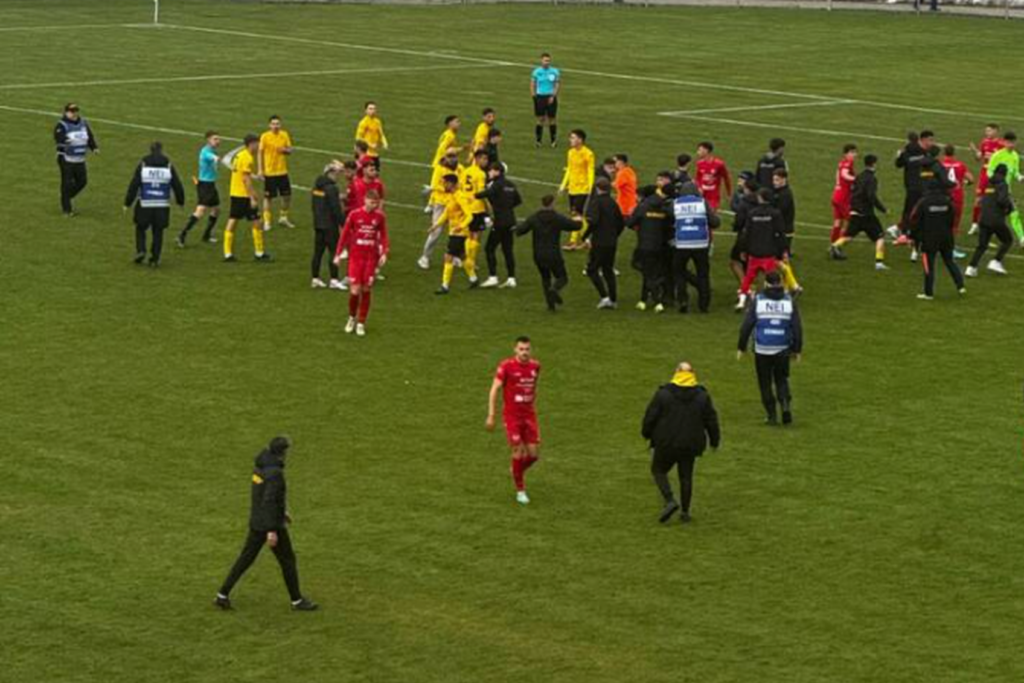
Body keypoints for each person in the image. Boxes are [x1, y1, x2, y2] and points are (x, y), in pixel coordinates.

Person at [214, 436, 318, 612]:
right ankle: (297, 600)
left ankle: (222, 595)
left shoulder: (260, 467)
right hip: (270, 524)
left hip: (257, 520)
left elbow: (263, 496)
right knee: (288, 560)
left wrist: (282, 512)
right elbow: (270, 500)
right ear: (282, 452)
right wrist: (271, 530)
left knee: (245, 558)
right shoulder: (275, 473)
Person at [641, 361, 721, 524]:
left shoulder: (663, 394)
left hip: (666, 442)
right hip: (690, 443)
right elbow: (711, 420)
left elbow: (651, 416)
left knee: (658, 470)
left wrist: (646, 433)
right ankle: (685, 512)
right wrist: (714, 440)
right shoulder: (702, 396)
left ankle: (670, 500)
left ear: (677, 373)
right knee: (686, 476)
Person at [737, 270, 803, 426]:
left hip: (762, 348)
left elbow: (747, 325)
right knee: (781, 379)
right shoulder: (789, 301)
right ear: (781, 282)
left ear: (766, 283)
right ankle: (785, 405)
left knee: (765, 382)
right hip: (782, 347)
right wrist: (797, 349)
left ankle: (771, 415)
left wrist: (741, 347)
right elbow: (797, 327)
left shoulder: (759, 301)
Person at [486, 336, 542, 505]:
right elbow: (494, 389)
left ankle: (516, 469)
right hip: (512, 416)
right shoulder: (506, 366)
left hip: (529, 415)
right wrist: (491, 415)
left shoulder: (535, 366)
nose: (524, 352)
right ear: (515, 350)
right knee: (518, 452)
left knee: (534, 455)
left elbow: (534, 387)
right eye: (521, 349)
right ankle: (520, 491)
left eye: (527, 349)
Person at [334, 190, 389, 336]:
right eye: (372, 202)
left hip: (371, 258)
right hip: (356, 257)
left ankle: (361, 322)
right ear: (365, 200)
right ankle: (352, 317)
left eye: (376, 203)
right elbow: (345, 234)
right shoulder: (354, 215)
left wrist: (384, 253)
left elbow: (384, 236)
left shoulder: (380, 217)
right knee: (354, 290)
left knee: (366, 289)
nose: (374, 206)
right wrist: (338, 254)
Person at [122, 141, 185, 267]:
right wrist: (180, 201)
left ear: (150, 150)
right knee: (158, 232)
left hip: (145, 203)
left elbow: (134, 184)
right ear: (161, 150)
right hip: (162, 205)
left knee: (140, 228)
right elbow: (177, 184)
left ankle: (141, 250)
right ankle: (155, 259)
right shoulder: (168, 165)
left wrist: (127, 202)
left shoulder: (144, 164)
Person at [515, 195, 579, 311]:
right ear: (552, 203)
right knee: (562, 277)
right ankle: (554, 289)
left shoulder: (534, 217)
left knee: (545, 278)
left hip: (538, 254)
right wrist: (578, 220)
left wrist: (515, 227)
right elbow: (574, 227)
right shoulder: (557, 218)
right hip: (553, 253)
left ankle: (550, 306)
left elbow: (520, 231)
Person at [831, 154, 889, 270]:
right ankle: (879, 263)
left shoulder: (859, 176)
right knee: (880, 237)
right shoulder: (872, 179)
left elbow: (853, 191)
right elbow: (871, 196)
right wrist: (883, 209)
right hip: (866, 215)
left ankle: (834, 245)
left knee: (848, 236)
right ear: (874, 164)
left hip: (855, 212)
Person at [909, 182, 966, 300]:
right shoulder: (947, 202)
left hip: (929, 239)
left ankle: (928, 293)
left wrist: (913, 237)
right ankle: (960, 286)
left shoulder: (924, 202)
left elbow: (915, 220)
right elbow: (952, 219)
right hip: (946, 237)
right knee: (950, 261)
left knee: (929, 266)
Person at [627, 174, 674, 313]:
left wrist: (630, 218)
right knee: (650, 271)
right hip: (659, 245)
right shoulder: (663, 207)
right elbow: (669, 224)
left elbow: (630, 223)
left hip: (644, 245)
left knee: (646, 272)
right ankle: (643, 299)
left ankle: (657, 301)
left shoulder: (642, 207)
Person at [671, 179, 719, 313]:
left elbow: (670, 219)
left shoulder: (676, 203)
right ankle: (704, 304)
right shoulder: (702, 203)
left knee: (679, 271)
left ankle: (683, 299)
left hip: (682, 243)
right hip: (701, 243)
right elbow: (715, 222)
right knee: (703, 274)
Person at [736, 188, 787, 310]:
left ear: (760, 198)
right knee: (771, 277)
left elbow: (746, 234)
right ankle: (770, 300)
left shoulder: (752, 213)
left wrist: (743, 249)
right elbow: (780, 233)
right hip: (769, 252)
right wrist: (783, 251)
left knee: (748, 278)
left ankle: (741, 302)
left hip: (754, 252)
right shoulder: (775, 214)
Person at [223, 135, 270, 263]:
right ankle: (259, 253)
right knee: (256, 222)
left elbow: (242, 172)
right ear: (252, 144)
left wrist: (255, 176)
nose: (259, 146)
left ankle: (227, 253)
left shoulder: (240, 155)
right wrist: (252, 197)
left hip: (235, 193)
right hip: (243, 195)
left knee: (233, 220)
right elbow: (245, 180)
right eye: (257, 144)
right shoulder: (248, 158)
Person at [477, 163, 522, 289]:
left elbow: (486, 193)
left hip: (500, 221)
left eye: (491, 171)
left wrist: (473, 195)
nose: (489, 173)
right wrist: (507, 207)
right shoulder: (511, 184)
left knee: (489, 248)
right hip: (511, 220)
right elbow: (518, 201)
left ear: (497, 172)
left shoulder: (496, 184)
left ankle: (493, 277)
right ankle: (511, 278)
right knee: (508, 250)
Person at [966, 164, 1014, 278]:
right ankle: (996, 261)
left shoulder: (989, 183)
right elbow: (1002, 200)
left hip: (983, 219)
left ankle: (971, 268)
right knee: (1008, 240)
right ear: (1005, 174)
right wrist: (1009, 207)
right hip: (996, 219)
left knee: (982, 245)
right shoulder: (1003, 184)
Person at [432, 173, 478, 294]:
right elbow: (446, 213)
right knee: (462, 256)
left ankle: (445, 286)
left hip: (459, 233)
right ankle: (473, 279)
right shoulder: (451, 196)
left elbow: (470, 216)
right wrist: (436, 225)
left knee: (448, 257)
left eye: (444, 183)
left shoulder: (460, 197)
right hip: (454, 232)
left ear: (451, 184)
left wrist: (461, 226)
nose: (443, 185)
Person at [583, 177, 625, 309]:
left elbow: (593, 221)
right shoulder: (613, 203)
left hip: (599, 242)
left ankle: (604, 297)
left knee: (592, 269)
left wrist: (585, 236)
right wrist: (614, 235)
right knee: (608, 270)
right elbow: (621, 223)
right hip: (611, 242)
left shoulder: (596, 202)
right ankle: (613, 299)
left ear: (597, 188)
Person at [419, 149, 463, 270]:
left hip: (455, 204)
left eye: (454, 156)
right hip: (441, 204)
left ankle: (454, 255)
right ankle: (425, 257)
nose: (452, 159)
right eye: (450, 156)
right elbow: (434, 186)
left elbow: (462, 184)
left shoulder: (460, 168)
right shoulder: (439, 169)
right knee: (436, 232)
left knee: (456, 232)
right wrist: (448, 189)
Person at [177, 131, 222, 247]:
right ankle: (182, 234)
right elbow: (211, 157)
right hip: (205, 185)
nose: (218, 141)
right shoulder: (206, 152)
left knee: (216, 210)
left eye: (218, 139)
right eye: (215, 139)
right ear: (208, 140)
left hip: (210, 184)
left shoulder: (211, 150)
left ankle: (206, 235)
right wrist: (217, 158)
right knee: (200, 211)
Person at [54, 102, 98, 216]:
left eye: (75, 111)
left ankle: (66, 197)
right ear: (66, 112)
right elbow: (59, 139)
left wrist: (94, 147)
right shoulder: (61, 125)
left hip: (80, 159)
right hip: (66, 159)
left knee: (82, 182)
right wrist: (65, 141)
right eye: (71, 111)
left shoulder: (83, 123)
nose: (74, 113)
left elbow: (89, 136)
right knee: (67, 183)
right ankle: (67, 210)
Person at [310, 161, 347, 291]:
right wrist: (344, 224)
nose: (338, 176)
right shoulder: (332, 188)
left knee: (318, 253)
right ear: (330, 173)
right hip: (330, 225)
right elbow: (336, 209)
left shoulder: (316, 186)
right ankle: (334, 279)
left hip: (318, 223)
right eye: (336, 173)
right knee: (334, 252)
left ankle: (315, 278)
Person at [890, 130, 930, 244]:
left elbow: (898, 164)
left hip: (911, 185)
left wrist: (898, 156)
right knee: (920, 209)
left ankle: (903, 231)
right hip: (923, 185)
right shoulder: (923, 152)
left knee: (908, 210)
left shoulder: (906, 152)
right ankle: (914, 232)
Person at [559, 129, 595, 251]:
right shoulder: (570, 152)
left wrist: (590, 186)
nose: (570, 140)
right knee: (578, 215)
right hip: (572, 188)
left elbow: (590, 170)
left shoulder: (588, 154)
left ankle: (573, 242)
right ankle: (587, 240)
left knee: (576, 215)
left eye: (573, 138)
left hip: (582, 189)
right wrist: (563, 185)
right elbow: (569, 169)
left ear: (580, 140)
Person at [258, 115, 295, 230]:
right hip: (270, 172)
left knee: (287, 196)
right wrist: (260, 169)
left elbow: (290, 150)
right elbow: (260, 153)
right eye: (273, 124)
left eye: (277, 124)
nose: (275, 126)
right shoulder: (265, 136)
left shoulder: (284, 135)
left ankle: (283, 217)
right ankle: (267, 221)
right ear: (269, 125)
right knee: (268, 197)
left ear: (280, 125)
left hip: (282, 171)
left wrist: (285, 150)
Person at [986, 131, 1022, 245]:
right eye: (1009, 142)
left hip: (1007, 191)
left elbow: (1015, 171)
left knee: (1014, 214)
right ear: (1004, 142)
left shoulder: (1015, 156)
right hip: (996, 191)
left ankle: (1022, 238)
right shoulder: (997, 155)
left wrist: (1020, 177)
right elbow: (989, 171)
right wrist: (997, 181)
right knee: (996, 217)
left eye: (1013, 142)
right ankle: (986, 238)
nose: (1011, 145)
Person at [969, 123, 1005, 232]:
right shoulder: (984, 142)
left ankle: (994, 225)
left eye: (989, 131)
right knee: (978, 199)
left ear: (996, 131)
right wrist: (975, 152)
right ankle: (974, 224)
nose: (987, 133)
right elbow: (979, 158)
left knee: (996, 201)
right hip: (984, 174)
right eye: (986, 131)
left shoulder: (1001, 144)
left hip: (995, 175)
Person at [462, 149, 491, 278]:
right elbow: (481, 194)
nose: (486, 161)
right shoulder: (481, 174)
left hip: (466, 207)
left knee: (469, 235)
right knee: (476, 236)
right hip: (477, 208)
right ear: (477, 159)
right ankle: (471, 262)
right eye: (484, 159)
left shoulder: (465, 171)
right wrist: (488, 207)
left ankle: (466, 259)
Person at [771, 169, 801, 293]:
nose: (775, 182)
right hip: (783, 230)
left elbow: (778, 212)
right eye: (774, 179)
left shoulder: (785, 194)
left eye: (777, 180)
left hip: (784, 231)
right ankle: (788, 286)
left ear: (784, 179)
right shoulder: (779, 192)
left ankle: (791, 286)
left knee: (781, 259)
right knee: (782, 259)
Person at [941, 144, 974, 249]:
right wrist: (965, 182)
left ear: (944, 153)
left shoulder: (940, 164)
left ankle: (939, 244)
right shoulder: (960, 165)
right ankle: (950, 246)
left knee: (941, 221)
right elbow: (971, 179)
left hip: (943, 197)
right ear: (954, 153)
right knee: (954, 224)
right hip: (957, 197)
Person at [829, 143, 857, 260]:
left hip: (836, 196)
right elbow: (844, 174)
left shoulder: (842, 162)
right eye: (852, 152)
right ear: (845, 154)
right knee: (851, 223)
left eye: (855, 152)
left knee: (837, 222)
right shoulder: (847, 163)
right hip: (843, 198)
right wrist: (856, 179)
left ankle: (833, 245)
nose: (854, 155)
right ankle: (837, 246)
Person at [531, 53, 560, 147]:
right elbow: (533, 84)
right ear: (541, 61)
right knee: (540, 119)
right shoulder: (536, 72)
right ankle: (538, 141)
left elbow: (556, 84)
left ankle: (553, 141)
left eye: (548, 61)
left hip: (550, 96)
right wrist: (534, 96)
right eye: (545, 60)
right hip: (540, 97)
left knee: (552, 119)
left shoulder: (555, 71)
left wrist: (553, 96)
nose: (547, 62)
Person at [694, 141, 732, 212]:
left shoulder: (719, 164)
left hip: (713, 197)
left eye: (699, 150)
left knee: (711, 214)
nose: (697, 152)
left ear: (706, 150)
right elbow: (698, 178)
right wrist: (699, 187)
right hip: (702, 195)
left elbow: (726, 179)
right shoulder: (699, 164)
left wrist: (729, 194)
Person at [355, 101, 388, 168]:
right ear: (366, 111)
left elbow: (381, 134)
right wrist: (370, 145)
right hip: (366, 154)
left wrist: (385, 143)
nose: (372, 111)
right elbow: (358, 138)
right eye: (370, 109)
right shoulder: (363, 123)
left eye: (374, 109)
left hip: (374, 154)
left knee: (375, 173)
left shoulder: (377, 122)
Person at [612, 154, 638, 219]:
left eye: (615, 161)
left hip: (624, 204)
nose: (614, 163)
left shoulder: (622, 173)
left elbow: (617, 185)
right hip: (631, 202)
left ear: (621, 162)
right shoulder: (630, 171)